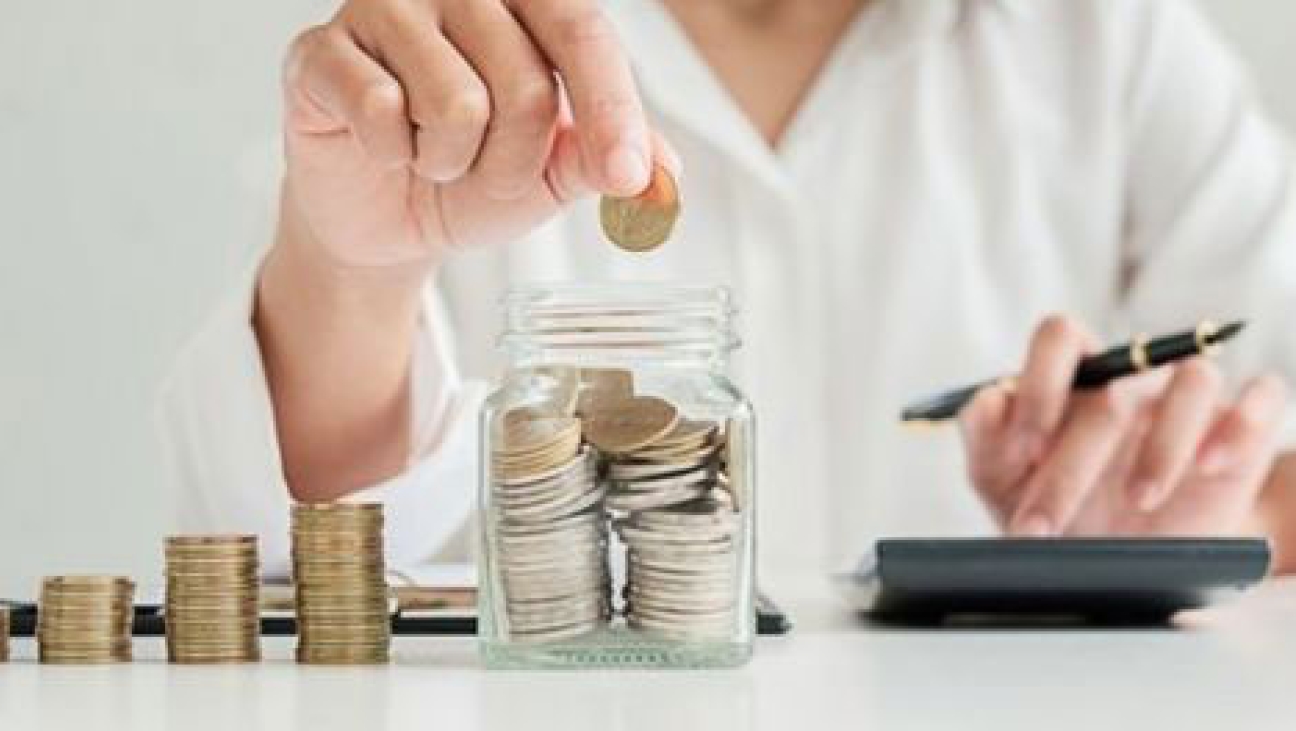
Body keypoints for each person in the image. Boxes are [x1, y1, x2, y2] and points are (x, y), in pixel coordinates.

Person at [159, 0, 1296, 582]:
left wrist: (1203, 529)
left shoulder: (1117, 42)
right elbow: (297, 558)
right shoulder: (446, 54)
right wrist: (356, 270)